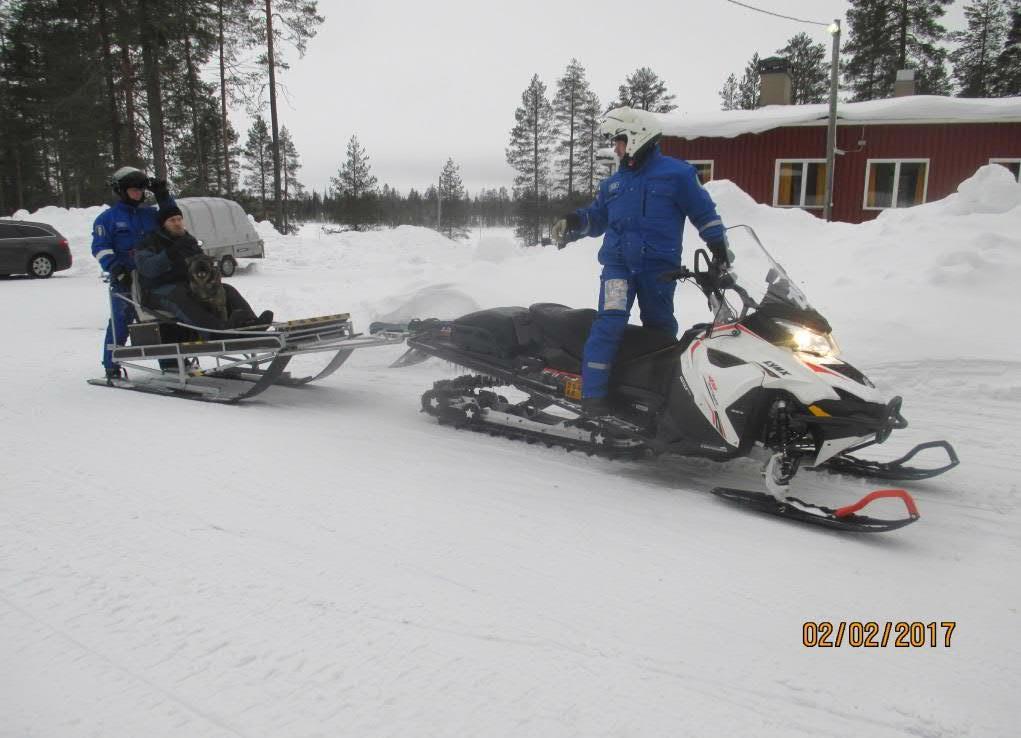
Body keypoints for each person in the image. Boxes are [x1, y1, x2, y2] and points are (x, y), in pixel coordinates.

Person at [551, 107, 730, 417]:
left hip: (659, 269)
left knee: (660, 330)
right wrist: (573, 223)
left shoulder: (677, 174)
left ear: (635, 136)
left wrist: (718, 245)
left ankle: (657, 395)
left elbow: (704, 213)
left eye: (618, 141)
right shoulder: (614, 184)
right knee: (609, 324)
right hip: (618, 267)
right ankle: (593, 397)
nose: (616, 148)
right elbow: (597, 218)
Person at [91, 167, 175, 378]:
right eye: (133, 190)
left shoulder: (151, 214)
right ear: (122, 191)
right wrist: (115, 267)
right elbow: (100, 247)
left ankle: (170, 362)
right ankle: (111, 365)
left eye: (140, 190)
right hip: (125, 279)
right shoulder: (107, 219)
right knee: (121, 321)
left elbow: (173, 220)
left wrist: (163, 195)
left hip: (154, 276)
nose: (138, 194)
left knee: (163, 319)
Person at [135, 206, 273, 333]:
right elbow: (148, 268)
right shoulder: (150, 241)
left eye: (179, 219)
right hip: (157, 291)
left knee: (226, 289)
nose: (177, 223)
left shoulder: (187, 240)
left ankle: (250, 323)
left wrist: (211, 276)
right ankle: (216, 331)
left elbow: (202, 263)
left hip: (187, 285)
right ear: (163, 224)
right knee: (180, 295)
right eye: (172, 220)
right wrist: (171, 252)